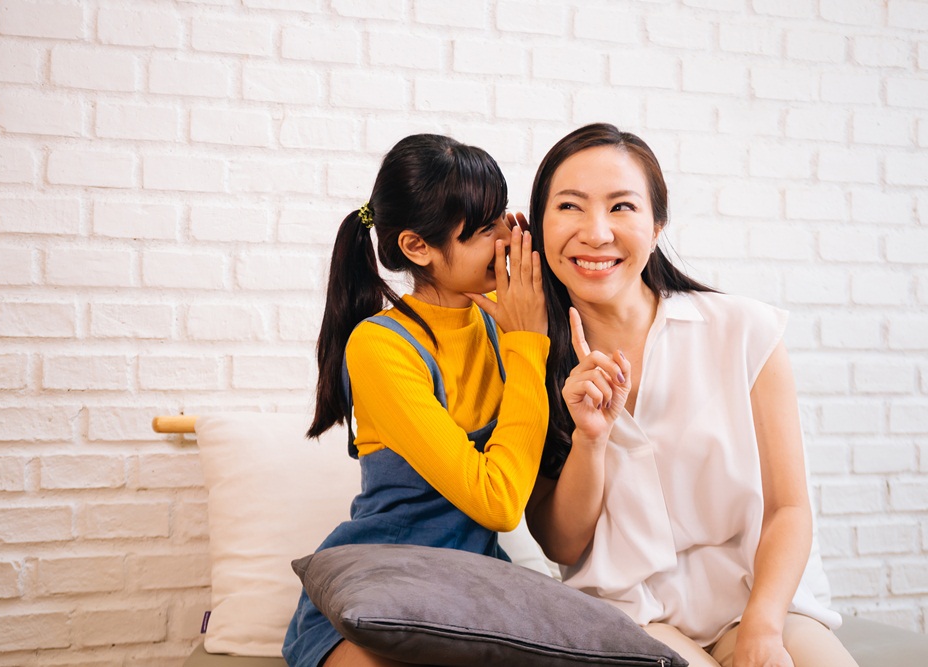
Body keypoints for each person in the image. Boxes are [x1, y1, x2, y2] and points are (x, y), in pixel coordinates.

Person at [524, 123, 858, 667]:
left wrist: (763, 630)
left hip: (758, 604)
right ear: (540, 226)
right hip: (629, 617)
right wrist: (590, 439)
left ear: (657, 225)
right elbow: (560, 545)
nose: (596, 232)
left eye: (621, 206)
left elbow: (789, 509)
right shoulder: (531, 362)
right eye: (569, 206)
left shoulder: (744, 331)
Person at [283, 134, 550, 667]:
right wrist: (526, 343)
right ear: (416, 246)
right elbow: (499, 502)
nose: (506, 239)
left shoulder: (505, 321)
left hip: (472, 586)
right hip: (382, 587)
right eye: (484, 229)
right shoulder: (381, 346)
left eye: (503, 216)